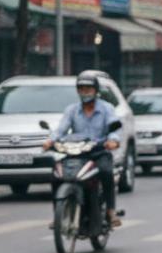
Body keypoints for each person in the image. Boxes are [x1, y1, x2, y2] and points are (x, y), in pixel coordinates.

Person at [44, 71, 122, 228]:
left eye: (89, 89)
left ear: (96, 90)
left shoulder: (107, 108)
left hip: (98, 152)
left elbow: (114, 128)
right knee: (56, 175)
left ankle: (111, 211)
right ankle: (58, 215)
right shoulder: (71, 110)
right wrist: (50, 140)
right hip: (77, 152)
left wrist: (112, 140)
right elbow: (61, 130)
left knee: (106, 171)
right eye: (82, 89)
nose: (85, 92)